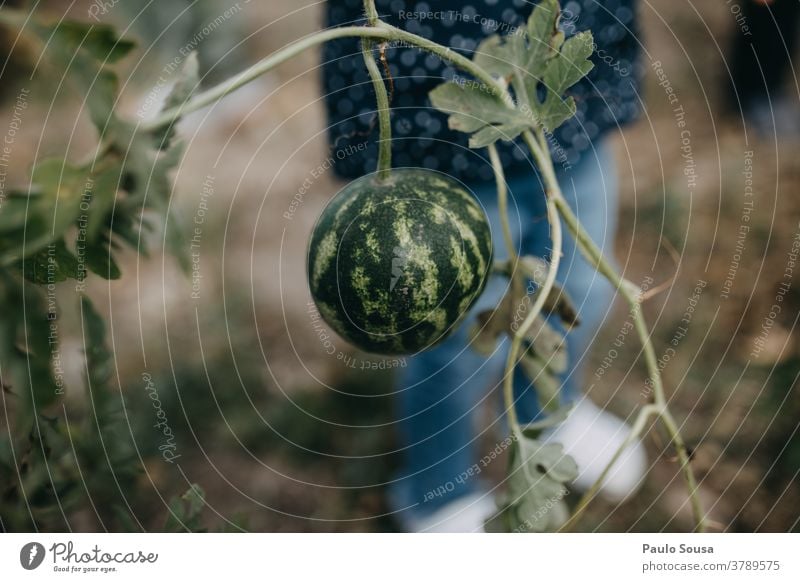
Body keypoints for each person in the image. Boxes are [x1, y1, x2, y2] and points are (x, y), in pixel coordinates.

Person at [322, 0, 646, 532]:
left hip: (571, 114)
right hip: (438, 130)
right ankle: (435, 489)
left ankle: (546, 414)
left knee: (580, 284)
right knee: (453, 330)